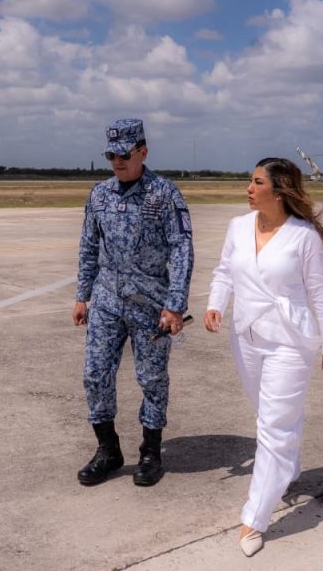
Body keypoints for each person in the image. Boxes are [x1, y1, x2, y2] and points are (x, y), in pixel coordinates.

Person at [204, 157, 323, 557]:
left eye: (256, 181)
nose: (248, 187)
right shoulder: (238, 227)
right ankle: (285, 471)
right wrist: (216, 304)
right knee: (268, 417)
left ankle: (254, 519)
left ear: (278, 191)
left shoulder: (303, 237)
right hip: (245, 335)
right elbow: (224, 271)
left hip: (289, 341)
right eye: (250, 180)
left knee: (275, 427)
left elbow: (321, 296)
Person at [73, 118, 194, 487]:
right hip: (107, 300)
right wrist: (83, 295)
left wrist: (175, 304)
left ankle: (150, 453)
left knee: (151, 378)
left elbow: (181, 247)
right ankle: (108, 450)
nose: (117, 162)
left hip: (151, 304)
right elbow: (89, 246)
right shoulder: (99, 195)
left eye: (123, 154)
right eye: (111, 155)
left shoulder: (164, 193)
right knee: (95, 374)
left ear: (142, 151)